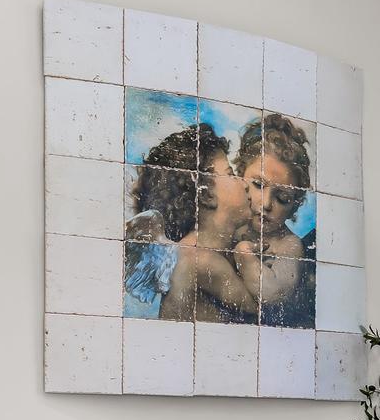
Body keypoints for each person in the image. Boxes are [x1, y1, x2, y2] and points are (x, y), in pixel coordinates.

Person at [121, 123, 257, 321]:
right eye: (230, 174)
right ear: (205, 194)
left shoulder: (198, 251)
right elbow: (258, 311)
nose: (244, 183)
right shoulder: (200, 260)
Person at [230, 113, 316, 327]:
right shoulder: (230, 225)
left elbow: (274, 293)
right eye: (258, 185)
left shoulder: (289, 245)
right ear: (240, 176)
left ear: (295, 204)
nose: (266, 203)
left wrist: (244, 255)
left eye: (282, 198)